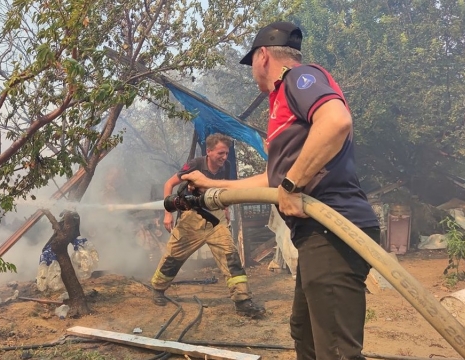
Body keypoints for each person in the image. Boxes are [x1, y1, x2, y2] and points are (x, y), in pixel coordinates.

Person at [181, 21, 381, 360]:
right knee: (305, 334)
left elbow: (336, 122)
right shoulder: (284, 102)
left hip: (333, 227)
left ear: (262, 57)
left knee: (334, 349)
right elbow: (273, 180)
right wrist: (214, 185)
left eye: (251, 67)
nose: (252, 76)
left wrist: (292, 184)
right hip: (317, 234)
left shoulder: (299, 79)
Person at [150, 133, 266, 318]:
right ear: (209, 151)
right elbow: (169, 183)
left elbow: (224, 191)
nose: (224, 157)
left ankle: (242, 301)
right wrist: (167, 213)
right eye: (221, 153)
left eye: (226, 153)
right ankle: (158, 288)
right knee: (174, 256)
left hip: (216, 218)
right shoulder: (195, 164)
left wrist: (225, 209)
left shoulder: (226, 167)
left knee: (230, 256)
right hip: (192, 219)